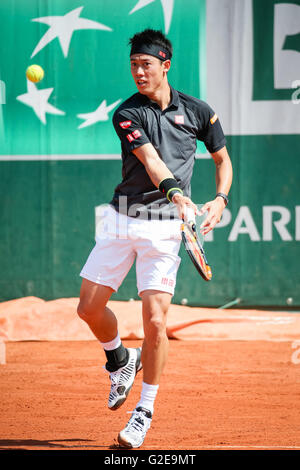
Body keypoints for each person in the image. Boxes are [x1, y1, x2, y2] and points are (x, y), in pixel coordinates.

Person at [77, 28, 233, 449]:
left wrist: (220, 198)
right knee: (88, 309)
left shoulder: (199, 111)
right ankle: (119, 360)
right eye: (133, 66)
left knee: (157, 321)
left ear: (165, 65)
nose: (138, 73)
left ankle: (143, 411)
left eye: (146, 65)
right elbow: (150, 161)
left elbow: (223, 160)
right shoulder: (127, 113)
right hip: (122, 219)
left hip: (165, 230)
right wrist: (180, 194)